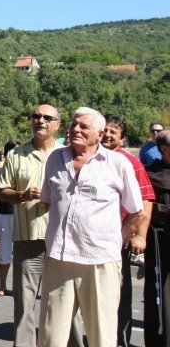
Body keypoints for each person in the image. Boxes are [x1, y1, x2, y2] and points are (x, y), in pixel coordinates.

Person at [39, 107, 144, 347]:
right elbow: (49, 201)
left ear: (99, 134)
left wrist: (117, 240)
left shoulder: (118, 163)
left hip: (99, 262)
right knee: (50, 336)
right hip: (59, 259)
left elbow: (137, 211)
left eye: (83, 126)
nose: (75, 129)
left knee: (101, 336)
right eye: (74, 124)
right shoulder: (55, 158)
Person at [0, 104, 84, 347]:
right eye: (36, 116)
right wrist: (23, 195)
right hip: (28, 239)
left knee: (67, 304)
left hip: (64, 240)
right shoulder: (17, 155)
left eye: (47, 117)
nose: (40, 121)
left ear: (58, 124)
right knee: (25, 305)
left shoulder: (70, 153)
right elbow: (1, 191)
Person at [101, 114, 155, 347]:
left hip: (118, 238)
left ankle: (120, 341)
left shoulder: (131, 163)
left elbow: (146, 200)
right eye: (106, 130)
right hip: (91, 239)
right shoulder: (89, 157)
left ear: (122, 139)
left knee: (119, 294)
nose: (109, 135)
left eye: (114, 131)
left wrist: (140, 235)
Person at [145, 129, 170, 347]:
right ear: (164, 149)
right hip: (162, 242)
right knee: (161, 295)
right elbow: (145, 207)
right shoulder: (150, 174)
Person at [0, 140, 18, 296]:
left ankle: (21, 286)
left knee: (22, 252)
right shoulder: (0, 169)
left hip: (21, 213)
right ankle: (2, 284)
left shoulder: (23, 169)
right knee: (4, 250)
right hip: (4, 212)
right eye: (11, 152)